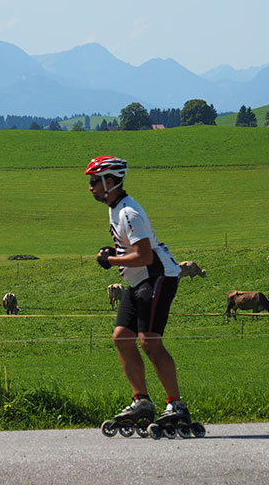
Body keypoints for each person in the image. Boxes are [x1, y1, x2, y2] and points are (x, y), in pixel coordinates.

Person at [85, 155, 191, 429]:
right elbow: (131, 249)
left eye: (95, 181)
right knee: (122, 337)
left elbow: (144, 256)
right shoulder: (115, 208)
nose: (91, 187)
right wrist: (115, 252)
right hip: (138, 281)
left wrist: (110, 261)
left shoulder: (127, 212)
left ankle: (176, 404)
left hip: (157, 276)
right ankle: (142, 401)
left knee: (149, 341)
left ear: (110, 182)